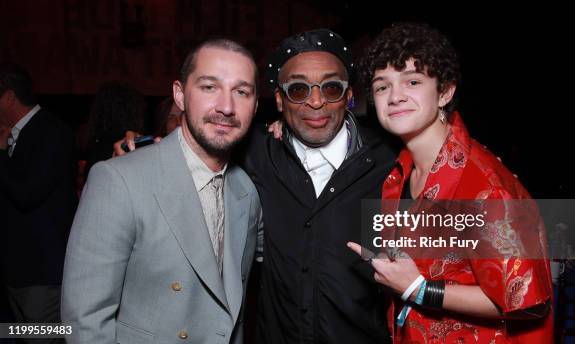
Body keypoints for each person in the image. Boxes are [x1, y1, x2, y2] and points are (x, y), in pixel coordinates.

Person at [116, 29, 397, 344]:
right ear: (279, 100)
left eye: (331, 88)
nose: (316, 101)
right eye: (298, 89)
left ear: (348, 96)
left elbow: (450, 260)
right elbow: (195, 147)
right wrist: (143, 152)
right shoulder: (255, 155)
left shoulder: (391, 163)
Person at [348, 22, 553, 343]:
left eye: (412, 81)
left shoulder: (484, 189)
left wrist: (419, 289)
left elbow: (529, 304)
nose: (395, 96)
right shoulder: (398, 173)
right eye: (382, 86)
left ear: (445, 92)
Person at [61, 39, 263, 343]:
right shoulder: (119, 180)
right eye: (209, 87)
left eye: (242, 92)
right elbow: (85, 320)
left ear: (256, 105)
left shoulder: (245, 191)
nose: (226, 106)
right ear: (180, 95)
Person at [0, 62, 77, 344]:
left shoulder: (52, 132)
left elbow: (27, 193)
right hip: (17, 271)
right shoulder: (14, 134)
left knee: (46, 338)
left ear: (9, 97)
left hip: (42, 274)